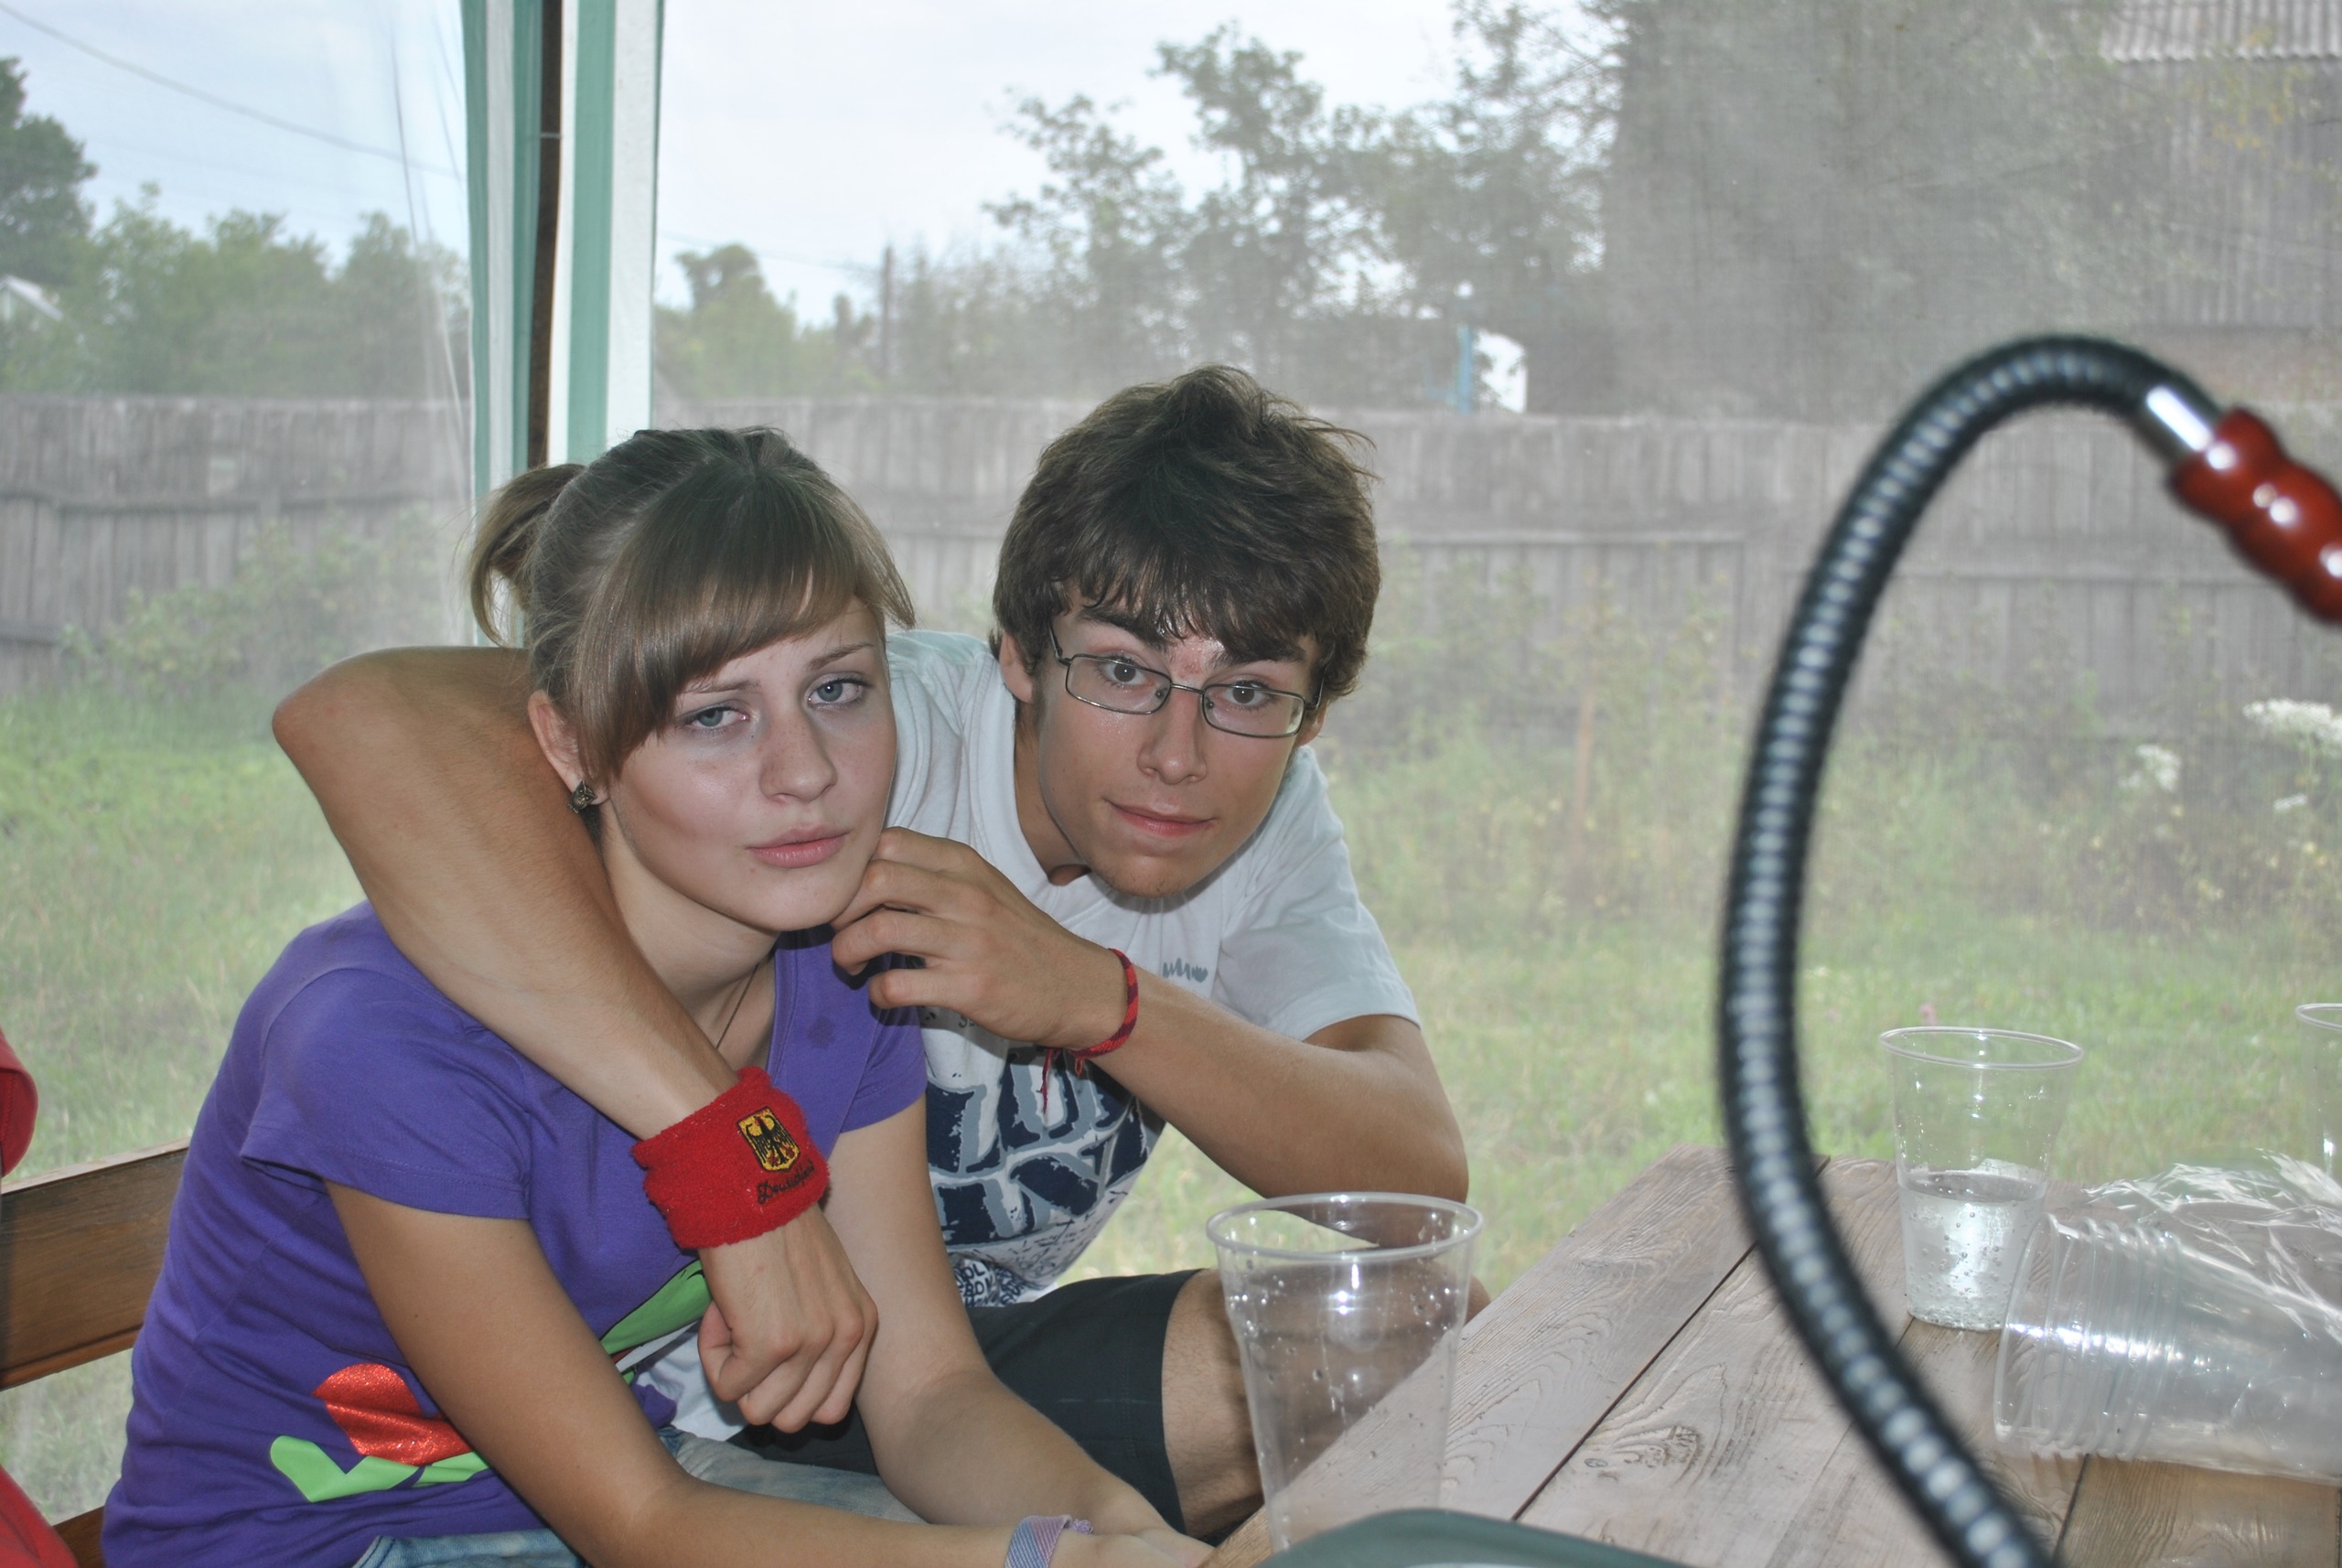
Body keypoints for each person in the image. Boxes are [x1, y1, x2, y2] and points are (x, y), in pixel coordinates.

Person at [272, 367, 1469, 1537]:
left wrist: (1101, 1001)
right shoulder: (859, 758)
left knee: (1401, 1334)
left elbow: (1414, 1172)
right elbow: (365, 718)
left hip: (915, 1368)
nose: (1177, 754)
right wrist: (734, 1166)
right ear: (1016, 652)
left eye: (1248, 692)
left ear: (1312, 712)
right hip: (682, 1400)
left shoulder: (844, 963)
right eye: (1120, 670)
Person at [106, 430, 1203, 1568]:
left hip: (617, 1493)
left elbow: (928, 1394)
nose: (805, 772)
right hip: (308, 1542)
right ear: (570, 743)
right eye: (714, 714)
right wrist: (1053, 1562)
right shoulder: (383, 1039)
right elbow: (639, 1527)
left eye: (837, 689)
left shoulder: (845, 981)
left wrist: (1122, 1527)